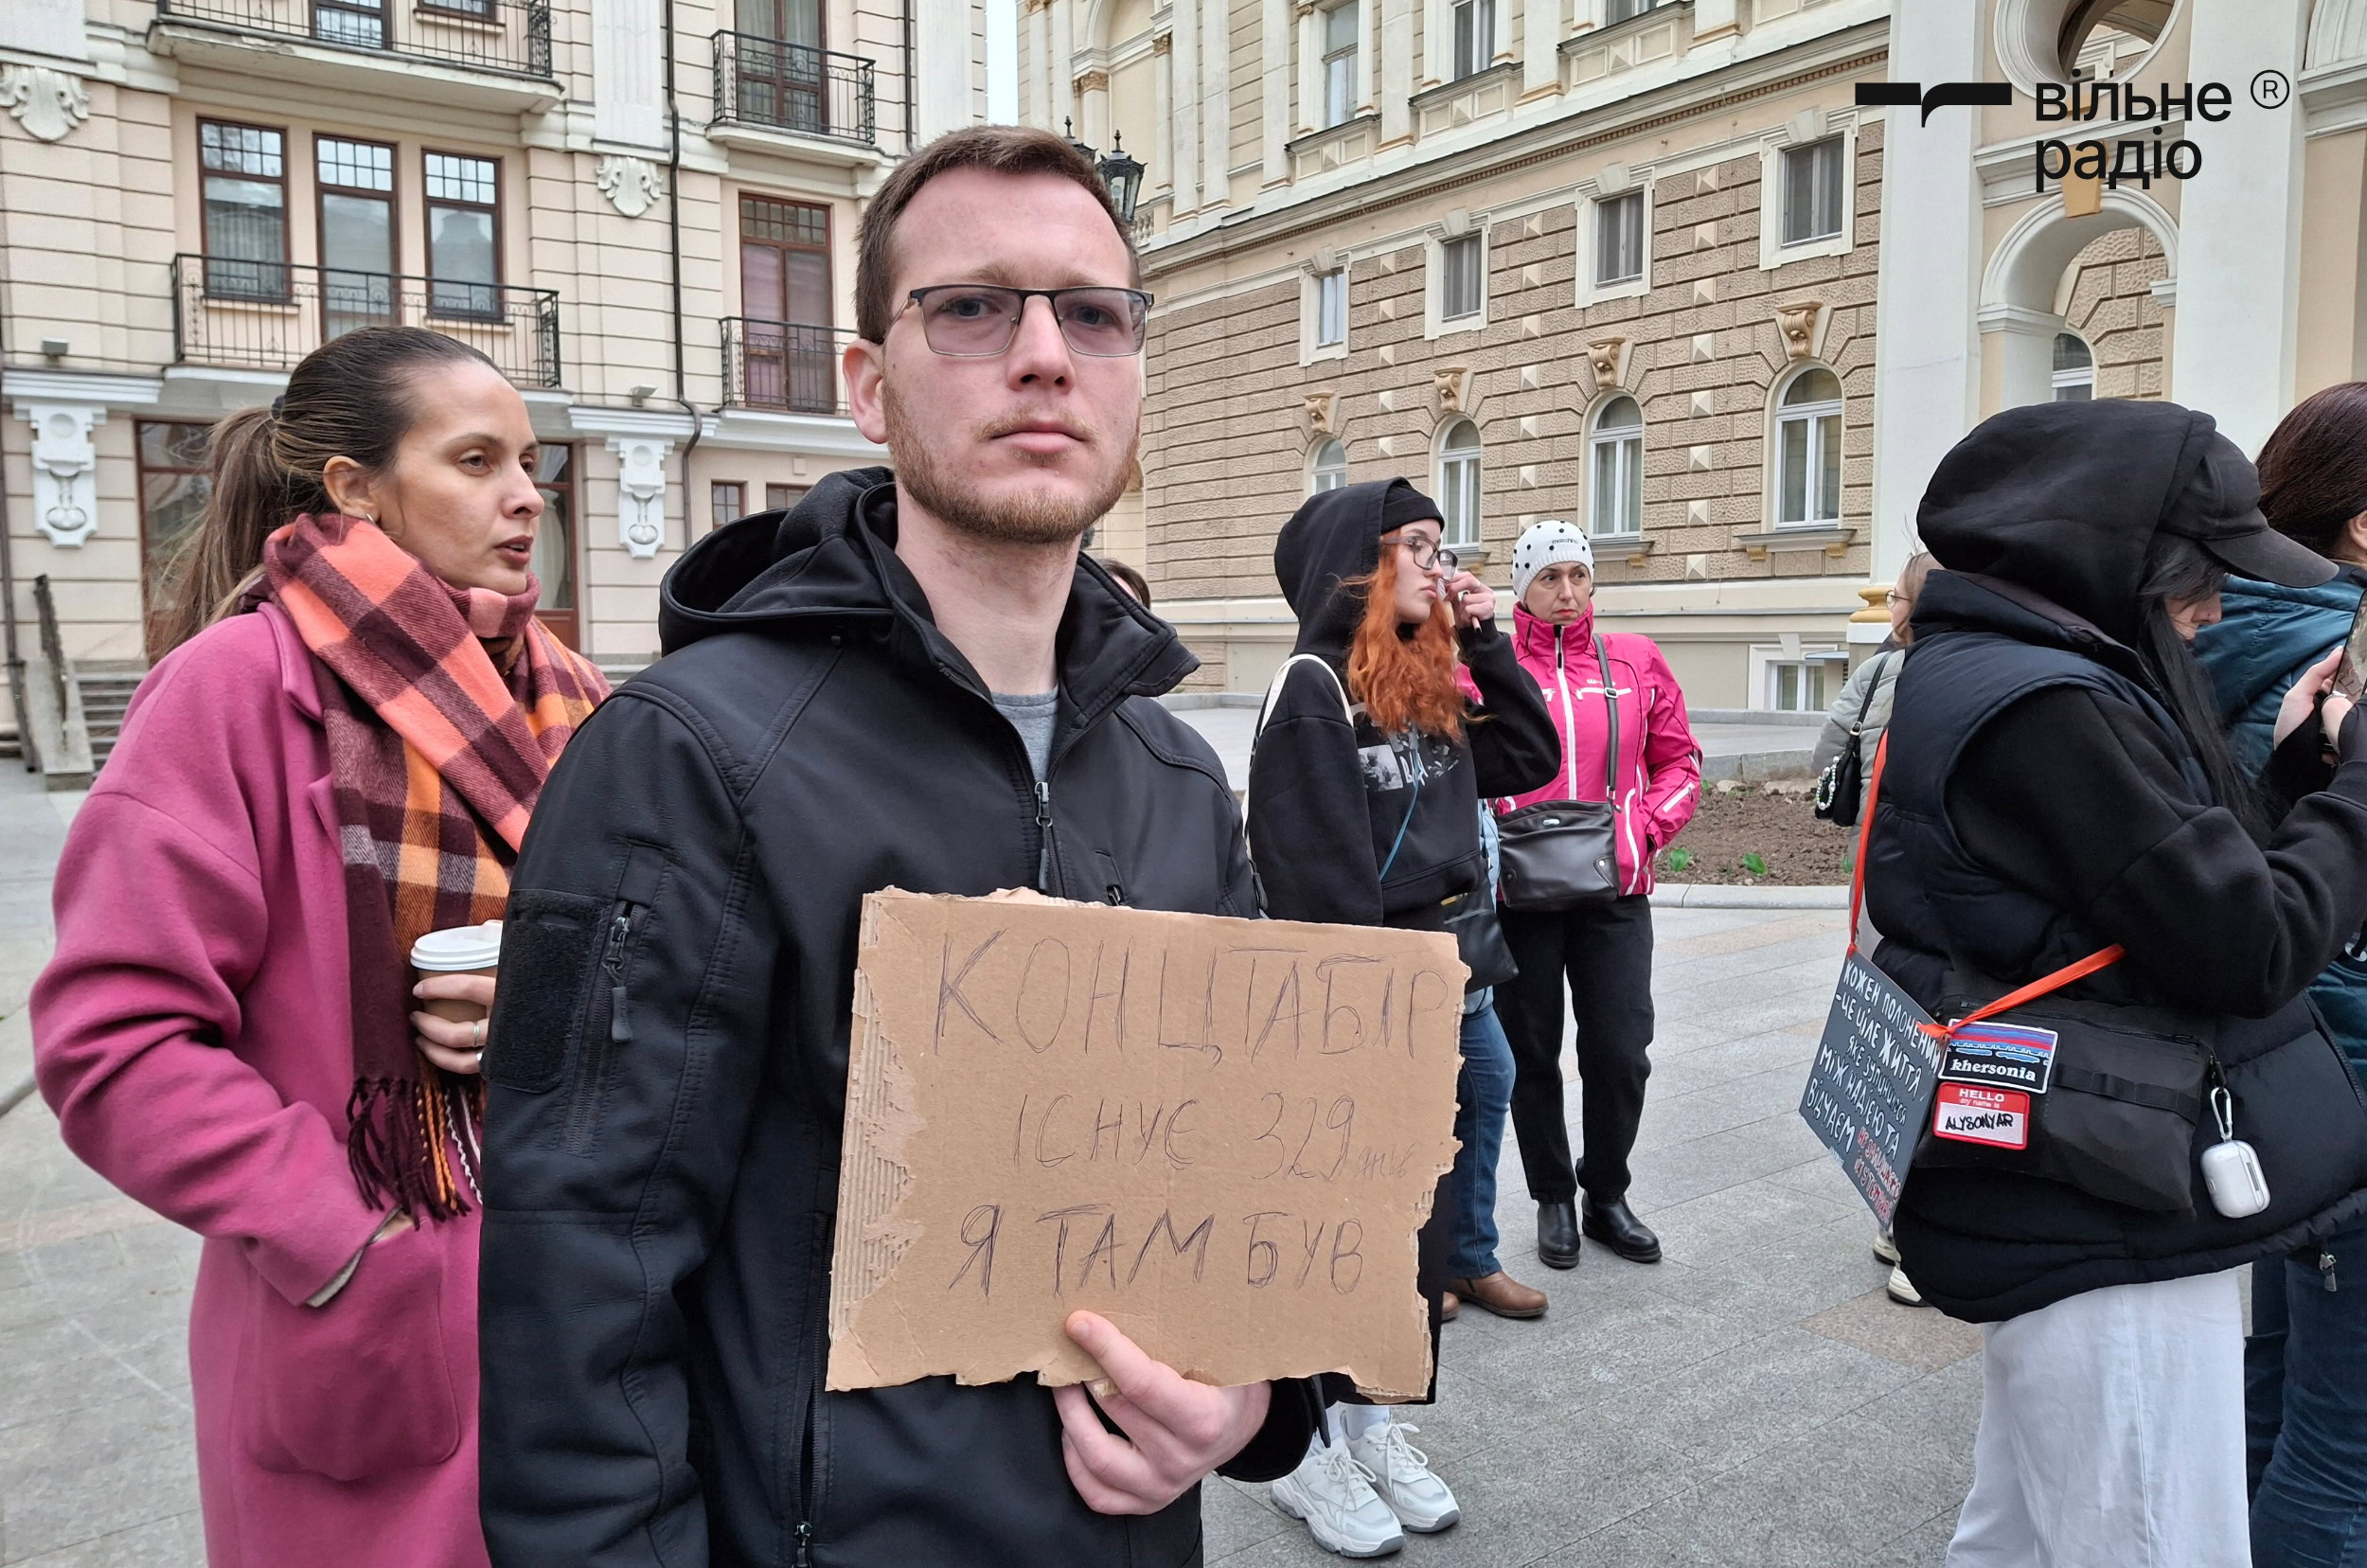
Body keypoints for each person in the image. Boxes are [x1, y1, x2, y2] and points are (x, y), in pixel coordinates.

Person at [473, 127, 1323, 1566]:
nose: (1045, 355)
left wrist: (1255, 1403)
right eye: (974, 307)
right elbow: (579, 1287)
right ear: (868, 384)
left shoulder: (1178, 774)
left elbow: (1244, 1183)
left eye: (1093, 313)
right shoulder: (682, 757)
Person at [28, 326, 607, 1567]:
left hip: (590, 1308)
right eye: (473, 459)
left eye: (530, 462)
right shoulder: (231, 688)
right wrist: (342, 1237)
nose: (524, 495)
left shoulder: (577, 696)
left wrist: (565, 988)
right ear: (355, 489)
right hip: (373, 1324)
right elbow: (112, 1042)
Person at [1865, 398, 2367, 1564]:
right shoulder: (2053, 704)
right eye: (2201, 572)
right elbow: (2246, 946)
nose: (2216, 603)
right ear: (2113, 556)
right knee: (2152, 1532)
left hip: (2065, 1165)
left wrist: (2297, 766)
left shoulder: (2006, 662)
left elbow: (2157, 875)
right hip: (2109, 1192)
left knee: (2025, 1523)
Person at [1246, 477, 1558, 1558]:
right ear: (1357, 567)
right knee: (1340, 1229)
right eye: (1414, 548)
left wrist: (1492, 644)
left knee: (1409, 1235)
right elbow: (1311, 875)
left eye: (1439, 544)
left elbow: (1529, 761)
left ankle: (1372, 1423)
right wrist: (1367, 1021)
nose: (1440, 563)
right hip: (1365, 1002)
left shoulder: (1423, 675)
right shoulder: (1309, 689)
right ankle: (1304, 1454)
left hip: (1450, 980)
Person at [2193, 381, 2367, 1566]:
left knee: (2279, 1371)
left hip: (2282, 1058)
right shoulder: (2342, 649)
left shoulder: (2220, 626)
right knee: (2345, 1448)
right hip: (2355, 1052)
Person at [1489, 520, 1700, 1270]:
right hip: (1521, 895)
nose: (1567, 593)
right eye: (1549, 578)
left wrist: (1643, 829)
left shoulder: (1635, 660)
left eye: (1578, 576)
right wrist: (1489, 832)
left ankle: (1605, 1191)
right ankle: (1552, 1195)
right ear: (1523, 588)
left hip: (1614, 890)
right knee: (1530, 1051)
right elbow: (1457, 768)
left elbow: (1679, 762)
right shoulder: (1486, 663)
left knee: (1621, 1051)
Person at [1812, 548, 1935, 1309]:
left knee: (1897, 1053)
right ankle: (1917, 1233)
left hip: (1878, 898)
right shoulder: (1953, 675)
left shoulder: (1884, 674)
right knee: (1937, 1056)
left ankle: (1898, 1217)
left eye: (1897, 596)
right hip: (1933, 906)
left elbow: (1828, 756)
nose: (1888, 608)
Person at [1448, 804, 1535, 1323]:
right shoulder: (1370, 733)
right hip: (1403, 953)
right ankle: (1408, 1270)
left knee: (1489, 1075)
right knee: (1403, 1114)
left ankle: (1469, 1261)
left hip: (1467, 956)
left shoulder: (1457, 738)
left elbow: (1530, 756)